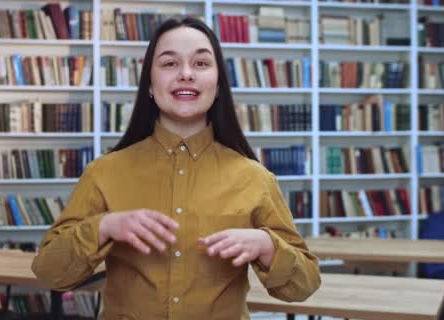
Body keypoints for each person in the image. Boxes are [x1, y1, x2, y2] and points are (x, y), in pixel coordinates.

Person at [32, 17, 321, 319]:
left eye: (201, 63)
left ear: (219, 84)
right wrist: (104, 227)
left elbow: (304, 285)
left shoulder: (255, 178)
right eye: (169, 64)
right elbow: (50, 273)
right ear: (150, 85)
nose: (185, 74)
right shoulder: (103, 172)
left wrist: (267, 245)